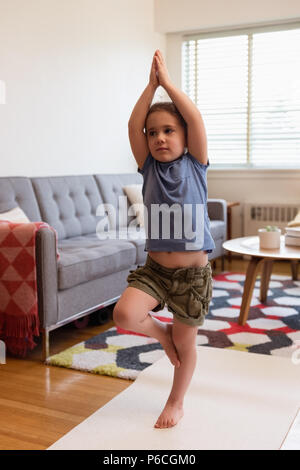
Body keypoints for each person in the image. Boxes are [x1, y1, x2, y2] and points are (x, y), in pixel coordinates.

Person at [113, 50, 215, 429]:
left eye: (168, 131)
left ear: (185, 136)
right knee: (124, 313)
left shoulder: (196, 164)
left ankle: (176, 401)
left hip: (192, 276)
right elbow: (132, 126)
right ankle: (163, 335)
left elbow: (195, 117)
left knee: (187, 346)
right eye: (153, 133)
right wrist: (150, 86)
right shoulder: (148, 168)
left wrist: (168, 83)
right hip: (156, 269)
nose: (158, 138)